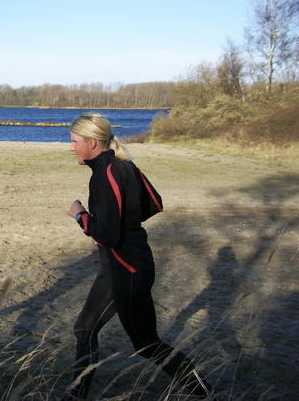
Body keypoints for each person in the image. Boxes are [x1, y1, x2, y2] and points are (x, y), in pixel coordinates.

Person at [63, 113, 224, 400]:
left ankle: (209, 396)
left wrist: (81, 216)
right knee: (84, 329)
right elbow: (154, 203)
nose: (71, 147)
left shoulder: (106, 174)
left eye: (74, 141)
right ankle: (76, 397)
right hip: (117, 266)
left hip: (128, 269)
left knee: (148, 344)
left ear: (91, 142)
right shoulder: (124, 166)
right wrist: (126, 222)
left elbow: (109, 235)